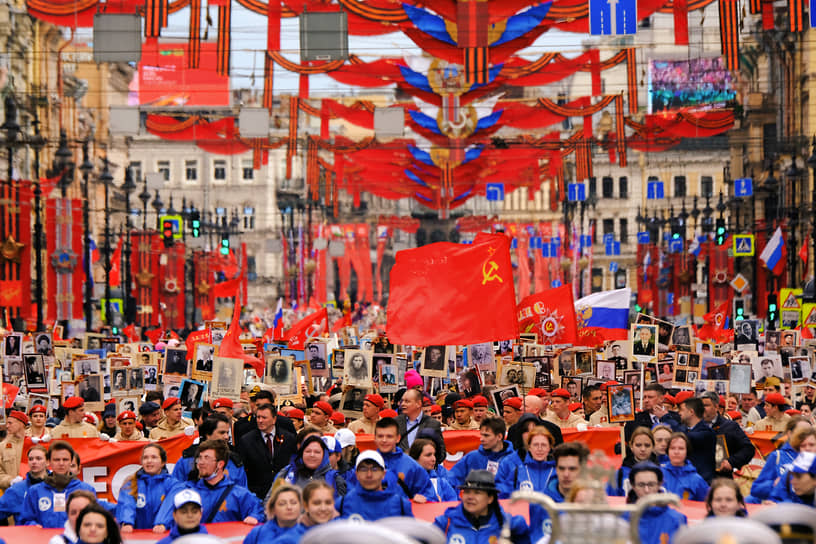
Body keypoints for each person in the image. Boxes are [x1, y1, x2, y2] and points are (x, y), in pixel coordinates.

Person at [155, 440, 264, 527]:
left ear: (220, 464)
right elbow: (166, 512)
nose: (200, 463)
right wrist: (162, 524)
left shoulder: (238, 494)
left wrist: (254, 517)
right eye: (199, 458)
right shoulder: (186, 490)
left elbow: (258, 511)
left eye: (206, 458)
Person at [433, 469, 531, 544]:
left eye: (477, 493)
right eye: (467, 492)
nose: (470, 497)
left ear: (490, 498)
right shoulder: (445, 523)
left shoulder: (510, 525)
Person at [19, 441, 97, 527]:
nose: (61, 463)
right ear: (49, 462)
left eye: (65, 459)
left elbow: (94, 518)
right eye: (56, 460)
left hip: (74, 539)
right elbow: (25, 520)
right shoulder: (35, 491)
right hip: (44, 539)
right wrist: (33, 525)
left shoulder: (86, 490)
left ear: (71, 461)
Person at [116, 444, 183, 532]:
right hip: (137, 537)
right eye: (145, 458)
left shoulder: (173, 484)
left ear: (163, 462)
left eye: (154, 457)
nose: (149, 461)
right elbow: (126, 505)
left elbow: (170, 506)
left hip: (164, 535)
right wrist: (127, 523)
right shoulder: (131, 483)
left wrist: (162, 523)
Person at [237, 404, 298, 500]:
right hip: (257, 495)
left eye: (264, 418)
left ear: (274, 419)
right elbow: (242, 469)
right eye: (258, 417)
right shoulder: (246, 440)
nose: (260, 421)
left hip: (284, 492)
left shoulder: (288, 438)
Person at [748, 420, 815, 502]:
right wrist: (773, 484)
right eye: (803, 445)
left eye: (811, 445)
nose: (807, 448)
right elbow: (771, 495)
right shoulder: (782, 461)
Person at [368, 417, 433, 501]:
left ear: (398, 438)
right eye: (380, 436)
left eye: (389, 436)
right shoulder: (365, 463)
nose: (384, 440)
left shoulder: (412, 466)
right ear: (375, 438)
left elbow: (430, 496)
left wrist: (423, 499)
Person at [337, 450, 413, 520]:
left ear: (383, 474)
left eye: (374, 469)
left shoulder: (400, 505)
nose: (369, 475)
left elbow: (412, 532)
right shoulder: (342, 504)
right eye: (363, 469)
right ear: (356, 474)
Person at [174, 414, 247, 486]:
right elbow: (175, 489)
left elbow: (242, 493)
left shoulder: (235, 462)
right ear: (208, 434)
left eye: (227, 433)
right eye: (222, 433)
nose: (226, 437)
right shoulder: (187, 460)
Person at [625, 463, 687, 544]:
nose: (646, 490)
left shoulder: (676, 519)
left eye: (651, 484)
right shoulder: (623, 518)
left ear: (659, 484)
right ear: (633, 486)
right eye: (641, 485)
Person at [699, 392, 755, 479]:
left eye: (706, 405)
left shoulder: (730, 427)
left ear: (716, 407)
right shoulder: (693, 425)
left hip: (721, 479)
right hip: (699, 478)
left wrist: (731, 462)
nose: (702, 409)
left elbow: (748, 449)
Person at [447, 417, 516, 487]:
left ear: (499, 436)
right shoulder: (472, 457)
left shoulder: (514, 460)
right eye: (481, 435)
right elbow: (452, 479)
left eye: (486, 435)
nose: (481, 439)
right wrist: (453, 496)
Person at [271, 434, 346, 496]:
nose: (312, 455)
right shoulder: (287, 472)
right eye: (308, 451)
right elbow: (270, 501)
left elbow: (341, 508)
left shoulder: (335, 479)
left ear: (324, 455)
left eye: (317, 452)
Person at [496, 427, 556, 499]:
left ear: (549, 448)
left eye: (544, 445)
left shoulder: (557, 472)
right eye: (535, 445)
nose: (539, 449)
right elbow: (502, 495)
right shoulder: (518, 472)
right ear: (529, 447)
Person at [0, 444, 49, 523]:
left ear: (47, 462)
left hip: (52, 533)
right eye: (31, 459)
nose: (34, 462)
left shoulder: (57, 486)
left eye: (38, 458)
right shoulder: (16, 489)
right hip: (24, 533)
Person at [608, 427, 658, 496]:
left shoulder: (661, 473)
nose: (643, 449)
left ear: (653, 447)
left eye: (647, 445)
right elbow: (612, 501)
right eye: (638, 445)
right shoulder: (619, 474)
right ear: (631, 446)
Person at [660, 432, 710, 501]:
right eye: (672, 448)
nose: (676, 452)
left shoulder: (696, 480)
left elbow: (707, 504)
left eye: (681, 448)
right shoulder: (658, 474)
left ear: (687, 451)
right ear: (667, 451)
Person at [410, 437, 458, 502]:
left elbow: (455, 507)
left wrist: (440, 505)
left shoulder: (442, 483)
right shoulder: (403, 483)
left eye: (434, 454)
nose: (434, 459)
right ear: (415, 458)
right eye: (428, 455)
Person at [0, 411, 29, 489]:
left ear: (21, 424)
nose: (7, 426)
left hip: (31, 492)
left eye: (10, 423)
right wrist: (10, 481)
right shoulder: (2, 447)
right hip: (11, 492)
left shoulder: (32, 443)